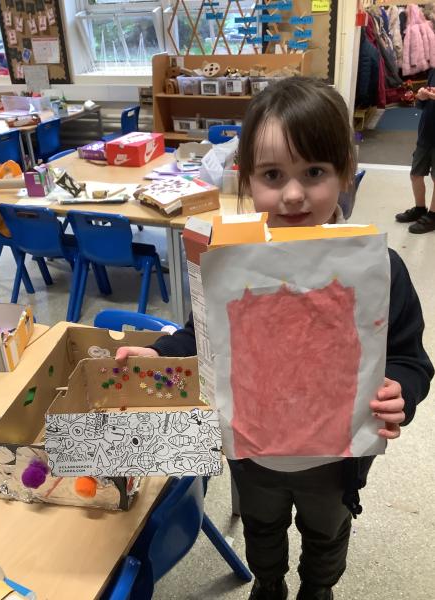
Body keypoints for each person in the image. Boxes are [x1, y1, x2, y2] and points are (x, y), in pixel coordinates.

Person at [116, 78, 434, 600]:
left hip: (334, 459)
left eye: (314, 172)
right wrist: (158, 353)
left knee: (326, 531)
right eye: (272, 175)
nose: (292, 194)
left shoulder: (377, 268)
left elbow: (408, 357)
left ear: (345, 174)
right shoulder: (229, 262)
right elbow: (202, 334)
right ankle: (268, 585)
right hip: (253, 452)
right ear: (246, 180)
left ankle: (318, 589)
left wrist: (401, 388)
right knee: (263, 529)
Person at [395, 69, 435, 233]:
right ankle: (420, 208)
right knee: (416, 174)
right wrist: (421, 97)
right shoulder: (433, 72)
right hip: (426, 134)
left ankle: (433, 216)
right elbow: (422, 105)